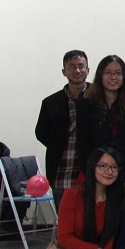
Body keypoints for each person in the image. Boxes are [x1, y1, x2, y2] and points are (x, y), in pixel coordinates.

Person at [77, 55, 125, 190]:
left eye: (118, 73)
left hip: (124, 176)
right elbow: (82, 144)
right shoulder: (86, 105)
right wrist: (92, 175)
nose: (113, 77)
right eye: (108, 73)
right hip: (94, 175)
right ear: (100, 75)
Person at [36, 49, 89, 205]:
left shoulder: (98, 97)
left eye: (81, 66)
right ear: (64, 71)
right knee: (64, 216)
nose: (77, 70)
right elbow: (41, 132)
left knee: (89, 216)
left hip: (89, 171)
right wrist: (56, 144)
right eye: (71, 67)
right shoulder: (51, 102)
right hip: (61, 171)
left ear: (88, 70)